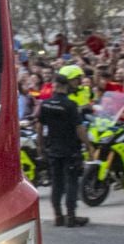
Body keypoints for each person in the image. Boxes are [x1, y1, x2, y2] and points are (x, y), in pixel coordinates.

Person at [36, 68, 89, 228]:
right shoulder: (70, 105)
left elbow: (39, 127)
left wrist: (40, 147)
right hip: (70, 149)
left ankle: (58, 216)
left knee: (57, 183)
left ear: (55, 85)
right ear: (66, 86)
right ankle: (71, 216)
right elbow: (79, 129)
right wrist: (89, 146)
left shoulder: (46, 104)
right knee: (71, 182)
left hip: (53, 148)